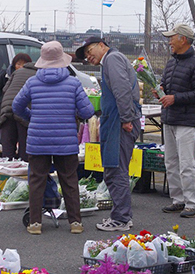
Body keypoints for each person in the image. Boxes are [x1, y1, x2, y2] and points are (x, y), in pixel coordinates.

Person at [13, 41, 94, 235]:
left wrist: (32, 117)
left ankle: (35, 223)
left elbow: (16, 106)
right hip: (65, 141)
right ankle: (75, 223)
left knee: (36, 181)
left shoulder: (32, 82)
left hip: (38, 139)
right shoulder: (73, 83)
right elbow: (88, 111)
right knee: (69, 180)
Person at [75, 37, 142, 232]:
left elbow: (122, 90)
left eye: (90, 51)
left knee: (116, 168)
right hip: (115, 120)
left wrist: (127, 118)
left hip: (119, 122)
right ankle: (120, 215)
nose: (89, 57)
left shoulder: (112, 59)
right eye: (86, 55)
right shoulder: (111, 61)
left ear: (102, 45)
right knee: (114, 168)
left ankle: (121, 218)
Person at [159, 24, 195, 218]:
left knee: (187, 163)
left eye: (172, 38)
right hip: (169, 118)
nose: (169, 41)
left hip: (186, 121)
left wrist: (175, 98)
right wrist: (161, 91)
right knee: (171, 162)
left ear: (183, 39)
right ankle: (178, 199)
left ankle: (192, 202)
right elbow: (166, 85)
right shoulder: (171, 63)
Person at [0, 59, 37, 161]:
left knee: (8, 145)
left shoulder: (17, 72)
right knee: (24, 145)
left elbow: (5, 89)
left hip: (7, 107)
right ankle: (23, 173)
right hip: (23, 108)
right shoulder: (37, 75)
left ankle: (6, 172)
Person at [0, 53, 32, 119]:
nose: (21, 67)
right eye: (18, 64)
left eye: (24, 64)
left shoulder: (30, 77)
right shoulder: (5, 74)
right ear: (14, 64)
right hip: (4, 108)